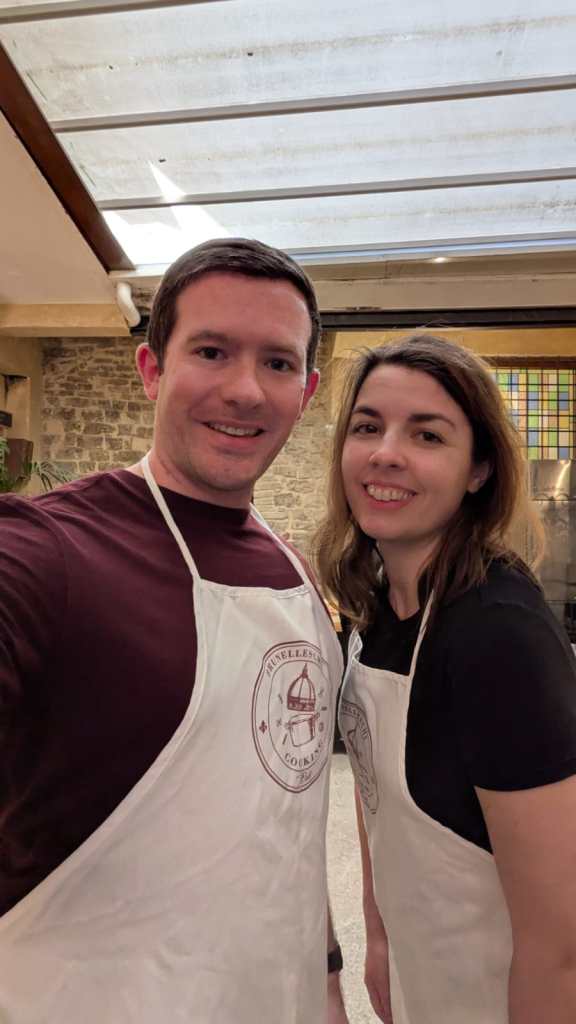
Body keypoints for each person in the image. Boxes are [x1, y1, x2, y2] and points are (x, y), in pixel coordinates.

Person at [0, 238, 346, 1023]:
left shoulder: (293, 571)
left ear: (308, 389)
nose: (246, 390)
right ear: (151, 369)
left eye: (279, 363)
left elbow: (286, 814)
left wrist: (326, 974)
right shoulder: (50, 550)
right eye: (213, 351)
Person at [315, 334, 576, 1024]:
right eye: (368, 426)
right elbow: (376, 790)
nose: (386, 452)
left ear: (478, 469)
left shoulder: (497, 635)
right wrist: (378, 938)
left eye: (427, 435)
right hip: (423, 972)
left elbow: (563, 943)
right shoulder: (380, 604)